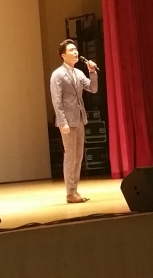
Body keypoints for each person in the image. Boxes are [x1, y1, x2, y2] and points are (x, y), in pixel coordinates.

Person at [50, 39, 98, 204]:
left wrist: (92, 72)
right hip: (67, 121)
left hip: (79, 118)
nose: (76, 52)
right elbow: (57, 100)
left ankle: (75, 190)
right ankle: (70, 192)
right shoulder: (57, 74)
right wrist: (62, 121)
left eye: (76, 49)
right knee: (70, 156)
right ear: (63, 55)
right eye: (71, 50)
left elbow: (93, 88)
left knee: (78, 156)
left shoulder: (78, 73)